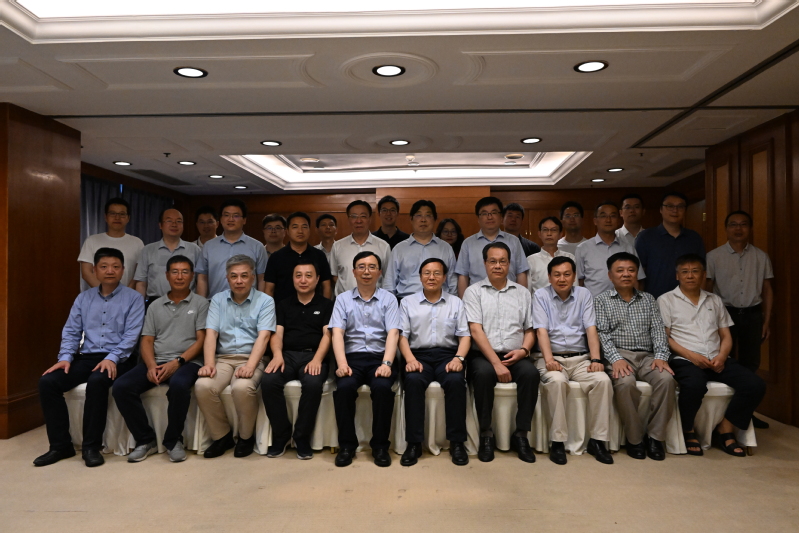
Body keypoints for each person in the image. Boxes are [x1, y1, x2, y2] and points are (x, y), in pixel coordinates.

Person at [35, 248, 144, 467]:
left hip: (120, 359)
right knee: (48, 382)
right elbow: (72, 331)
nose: (110, 271)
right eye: (104, 266)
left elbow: (132, 336)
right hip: (87, 357)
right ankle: (60, 446)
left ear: (123, 270)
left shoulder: (134, 298)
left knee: (97, 381)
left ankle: (91, 447)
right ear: (94, 270)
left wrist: (112, 357)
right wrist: (65, 357)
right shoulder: (83, 298)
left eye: (115, 266)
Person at [658, 254, 766, 457]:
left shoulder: (714, 300)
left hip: (717, 358)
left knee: (755, 384)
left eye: (695, 271)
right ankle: (688, 430)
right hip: (685, 359)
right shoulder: (666, 300)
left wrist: (723, 356)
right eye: (685, 272)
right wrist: (692, 356)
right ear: (677, 276)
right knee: (694, 385)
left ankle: (726, 428)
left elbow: (726, 335)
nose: (690, 276)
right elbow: (665, 338)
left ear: (703, 275)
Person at [113, 255, 208, 463]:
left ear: (192, 275)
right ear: (167, 275)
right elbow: (147, 340)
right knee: (121, 387)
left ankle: (173, 441)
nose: (180, 276)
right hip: (157, 360)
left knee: (179, 385)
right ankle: (145, 439)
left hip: (187, 362)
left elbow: (201, 340)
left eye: (185, 272)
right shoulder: (155, 305)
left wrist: (177, 362)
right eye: (175, 272)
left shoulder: (201, 303)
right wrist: (151, 366)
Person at [532, 256, 613, 465]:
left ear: (574, 276)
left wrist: (596, 359)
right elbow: (541, 331)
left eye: (567, 274)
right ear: (549, 277)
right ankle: (557, 442)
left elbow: (591, 328)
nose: (562, 279)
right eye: (557, 275)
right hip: (552, 357)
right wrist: (549, 359)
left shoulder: (584, 294)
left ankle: (598, 441)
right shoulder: (540, 295)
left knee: (603, 381)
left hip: (580, 358)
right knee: (557, 382)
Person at [595, 252, 675, 461]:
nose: (626, 274)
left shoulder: (648, 299)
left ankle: (655, 438)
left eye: (631, 270)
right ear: (610, 275)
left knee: (666, 380)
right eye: (620, 271)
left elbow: (658, 331)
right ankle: (635, 439)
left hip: (648, 356)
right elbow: (602, 334)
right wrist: (615, 359)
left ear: (637, 274)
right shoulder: (601, 301)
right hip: (619, 355)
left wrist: (661, 356)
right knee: (625, 383)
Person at [463, 242, 538, 463]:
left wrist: (524, 351)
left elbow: (530, 330)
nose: (498, 266)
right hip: (484, 355)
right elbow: (475, 330)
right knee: (484, 374)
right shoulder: (473, 292)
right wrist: (496, 363)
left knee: (531, 374)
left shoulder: (522, 293)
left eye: (502, 261)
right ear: (485, 264)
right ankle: (486, 434)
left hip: (516, 354)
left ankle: (521, 435)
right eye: (493, 261)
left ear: (509, 264)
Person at [195, 255, 275, 458]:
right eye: (234, 276)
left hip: (252, 358)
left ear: (253, 278)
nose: (239, 281)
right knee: (203, 385)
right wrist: (209, 363)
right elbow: (211, 334)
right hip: (223, 358)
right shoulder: (218, 300)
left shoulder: (265, 301)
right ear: (227, 278)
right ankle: (222, 436)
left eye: (244, 276)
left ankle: (246, 438)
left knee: (242, 387)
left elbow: (264, 337)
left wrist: (250, 366)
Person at [330, 251, 401, 467]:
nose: (366, 271)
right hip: (351, 357)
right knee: (344, 388)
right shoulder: (342, 299)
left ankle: (380, 446)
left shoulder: (389, 299)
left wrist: (387, 364)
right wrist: (342, 364)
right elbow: (337, 333)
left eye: (372, 267)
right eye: (361, 267)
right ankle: (347, 446)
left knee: (382, 387)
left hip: (380, 356)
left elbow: (393, 333)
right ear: (353, 272)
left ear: (379, 272)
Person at [398, 258, 471, 467]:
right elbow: (402, 336)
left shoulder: (456, 302)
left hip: (448, 355)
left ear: (445, 277)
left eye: (437, 273)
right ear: (420, 277)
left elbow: (465, 336)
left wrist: (458, 358)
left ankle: (457, 442)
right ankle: (414, 443)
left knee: (455, 381)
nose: (432, 277)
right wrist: (410, 359)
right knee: (413, 381)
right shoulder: (407, 302)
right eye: (427, 273)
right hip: (418, 355)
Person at [705, 210, 773, 429]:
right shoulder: (713, 256)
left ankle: (746, 412)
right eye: (733, 224)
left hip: (753, 314)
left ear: (750, 228)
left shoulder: (761, 256)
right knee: (725, 363)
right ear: (726, 229)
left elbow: (767, 289)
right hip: (725, 314)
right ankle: (725, 414)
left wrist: (766, 321)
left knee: (751, 363)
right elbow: (707, 289)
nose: (738, 228)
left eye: (743, 224)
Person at [261, 259, 334, 460]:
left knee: (312, 383)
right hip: (287, 355)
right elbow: (277, 334)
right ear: (293, 279)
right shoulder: (283, 304)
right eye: (298, 276)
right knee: (269, 381)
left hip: (313, 355)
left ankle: (302, 437)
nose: (303, 280)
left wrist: (318, 359)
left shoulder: (327, 305)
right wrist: (277, 355)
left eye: (308, 276)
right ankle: (281, 434)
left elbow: (328, 335)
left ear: (317, 279)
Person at [636, 191, 705, 299]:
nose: (675, 210)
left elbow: (702, 271)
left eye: (680, 206)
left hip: (689, 300)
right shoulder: (646, 237)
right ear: (661, 209)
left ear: (685, 210)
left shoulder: (694, 238)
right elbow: (639, 274)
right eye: (670, 206)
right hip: (654, 299)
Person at [455, 197, 529, 297]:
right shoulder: (468, 243)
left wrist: (522, 299)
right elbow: (463, 276)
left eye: (494, 213)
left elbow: (521, 273)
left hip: (509, 297)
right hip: (477, 299)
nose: (489, 217)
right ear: (478, 218)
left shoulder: (514, 241)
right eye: (484, 213)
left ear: (501, 216)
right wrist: (463, 302)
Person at [383, 200, 457, 299]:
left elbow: (453, 282)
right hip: (406, 301)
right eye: (418, 215)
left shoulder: (446, 248)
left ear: (435, 219)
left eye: (428, 215)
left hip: (440, 302)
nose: (423, 220)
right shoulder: (399, 249)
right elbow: (389, 284)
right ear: (411, 219)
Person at [196, 199, 267, 298]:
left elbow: (262, 279)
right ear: (221, 219)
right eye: (226, 215)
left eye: (236, 216)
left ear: (244, 220)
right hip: (215, 303)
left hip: (249, 303)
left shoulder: (257, 246)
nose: (231, 219)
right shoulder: (208, 246)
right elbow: (202, 278)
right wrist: (201, 303)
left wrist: (260, 303)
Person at [134, 208, 201, 307]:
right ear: (160, 225)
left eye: (178, 221)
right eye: (169, 221)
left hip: (187, 303)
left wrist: (198, 305)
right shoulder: (148, 250)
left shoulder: (194, 249)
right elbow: (141, 283)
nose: (174, 224)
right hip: (156, 304)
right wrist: (139, 308)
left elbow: (200, 281)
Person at [575, 201, 644, 297]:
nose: (608, 220)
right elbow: (579, 282)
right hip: (593, 304)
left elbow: (637, 280)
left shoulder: (628, 248)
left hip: (624, 304)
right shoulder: (583, 248)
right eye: (603, 216)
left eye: (613, 216)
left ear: (618, 220)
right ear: (595, 221)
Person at [264, 212, 332, 304]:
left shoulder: (319, 255)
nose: (300, 231)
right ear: (287, 231)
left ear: (309, 230)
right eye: (295, 227)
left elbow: (326, 286)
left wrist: (325, 308)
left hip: (315, 310)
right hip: (283, 310)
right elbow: (269, 289)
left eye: (304, 227)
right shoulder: (276, 257)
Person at [78, 197, 144, 291]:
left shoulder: (137, 243)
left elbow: (139, 273)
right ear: (106, 217)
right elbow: (86, 273)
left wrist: (125, 294)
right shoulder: (92, 240)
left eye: (122, 214)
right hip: (98, 295)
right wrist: (105, 292)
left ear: (128, 218)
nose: (117, 218)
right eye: (112, 213)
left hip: (127, 296)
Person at [329, 200, 391, 296]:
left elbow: (388, 277)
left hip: (375, 301)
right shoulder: (337, 246)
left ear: (370, 219)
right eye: (354, 216)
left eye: (363, 216)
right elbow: (334, 275)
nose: (358, 221)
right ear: (348, 219)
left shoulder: (383, 246)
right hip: (345, 302)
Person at [527, 216, 574, 293]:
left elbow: (575, 288)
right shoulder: (531, 260)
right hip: (539, 301)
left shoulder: (570, 258)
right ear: (539, 234)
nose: (549, 234)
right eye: (545, 230)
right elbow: (528, 291)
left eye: (554, 230)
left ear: (560, 234)